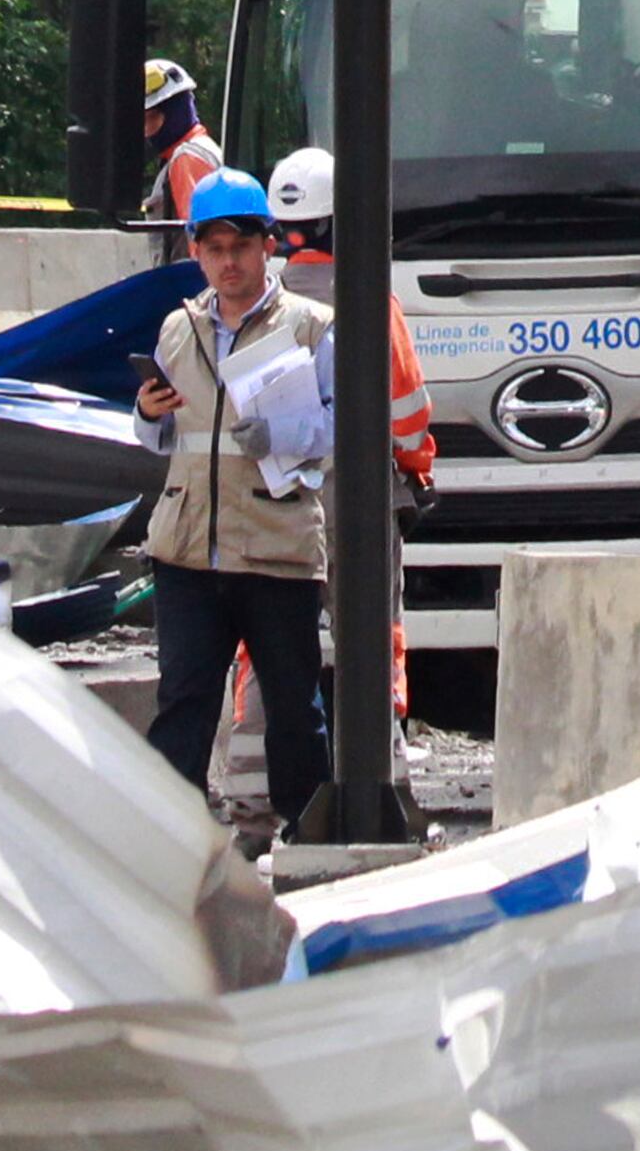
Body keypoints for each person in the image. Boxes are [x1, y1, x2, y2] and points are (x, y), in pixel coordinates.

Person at [132, 169, 333, 825]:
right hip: (188, 549)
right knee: (183, 700)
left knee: (294, 706)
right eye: (214, 248)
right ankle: (174, 835)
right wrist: (147, 411)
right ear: (195, 251)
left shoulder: (311, 327)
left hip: (275, 546)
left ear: (267, 246)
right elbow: (161, 439)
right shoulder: (177, 328)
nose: (228, 262)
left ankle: (309, 832)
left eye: (240, 246)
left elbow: (345, 427)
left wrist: (281, 433)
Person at [265, 145, 435, 497]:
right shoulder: (372, 300)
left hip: (280, 494)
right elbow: (407, 411)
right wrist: (415, 467)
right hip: (359, 490)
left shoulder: (261, 303)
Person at [136, 59, 222, 232]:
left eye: (152, 118)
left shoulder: (187, 158)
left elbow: (201, 235)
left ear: (177, 111)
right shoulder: (201, 149)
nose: (145, 131)